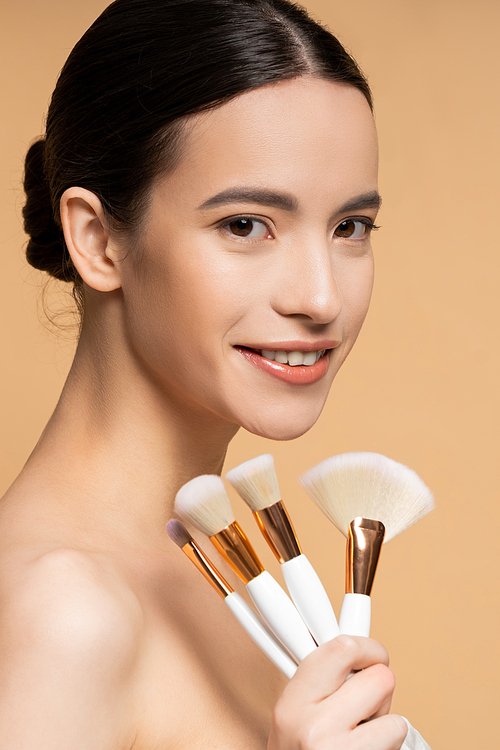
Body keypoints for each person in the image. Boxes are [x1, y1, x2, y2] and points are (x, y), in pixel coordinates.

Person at [0, 0, 424, 747]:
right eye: (245, 225)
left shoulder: (226, 579)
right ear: (98, 241)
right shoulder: (64, 614)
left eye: (349, 227)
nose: (321, 297)